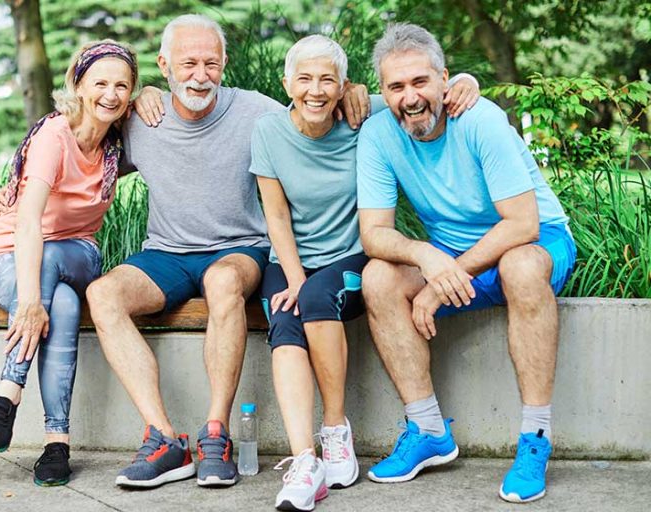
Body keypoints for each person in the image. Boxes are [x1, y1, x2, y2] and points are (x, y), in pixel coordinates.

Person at [85, 14, 371, 489]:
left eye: (211, 63)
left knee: (222, 282)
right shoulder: (141, 119)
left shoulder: (256, 111)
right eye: (189, 63)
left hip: (240, 250)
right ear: (164, 65)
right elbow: (85, 134)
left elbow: (312, 100)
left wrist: (353, 87)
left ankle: (215, 434)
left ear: (224, 65)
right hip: (167, 253)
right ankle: (163, 439)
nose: (200, 75)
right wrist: (136, 98)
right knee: (102, 294)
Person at [251, 35, 479, 511]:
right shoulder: (268, 131)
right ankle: (304, 459)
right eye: (305, 79)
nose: (316, 90)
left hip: (352, 257)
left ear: (344, 85)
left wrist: (464, 81)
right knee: (285, 320)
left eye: (327, 79)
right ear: (286, 83)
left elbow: (420, 93)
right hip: (291, 259)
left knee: (315, 298)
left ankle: (336, 431)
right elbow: (276, 216)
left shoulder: (365, 113)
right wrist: (292, 276)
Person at [356, 23, 576, 503]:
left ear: (444, 80)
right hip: (453, 256)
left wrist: (440, 284)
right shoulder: (377, 134)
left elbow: (522, 224)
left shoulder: (480, 119)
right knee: (378, 277)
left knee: (519, 266)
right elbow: (374, 234)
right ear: (382, 92)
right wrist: (426, 257)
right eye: (396, 86)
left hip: (536, 242)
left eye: (420, 82)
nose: (410, 97)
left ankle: (535, 438)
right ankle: (428, 430)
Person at [0, 40, 138, 487]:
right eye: (100, 82)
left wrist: (153, 95)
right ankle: (57, 444)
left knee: (51, 258)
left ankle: (7, 396)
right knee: (62, 305)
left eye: (122, 86)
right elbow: (28, 221)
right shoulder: (54, 134)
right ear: (78, 84)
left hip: (78, 252)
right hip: (10, 257)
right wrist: (31, 301)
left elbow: (162, 107)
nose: (111, 93)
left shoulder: (118, 140)